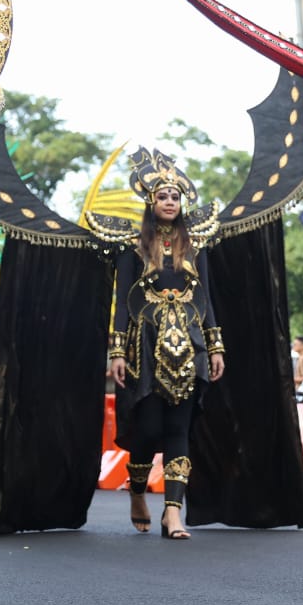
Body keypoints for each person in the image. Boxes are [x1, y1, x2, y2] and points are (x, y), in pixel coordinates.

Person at [106, 148, 225, 540]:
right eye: (162, 196)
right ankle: (137, 492)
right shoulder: (133, 247)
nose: (170, 202)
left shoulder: (196, 245)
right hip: (145, 347)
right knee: (148, 428)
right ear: (150, 201)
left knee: (179, 427)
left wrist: (216, 345)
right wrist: (117, 351)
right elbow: (123, 299)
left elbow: (205, 298)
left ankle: (174, 513)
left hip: (190, 347)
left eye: (175, 196)